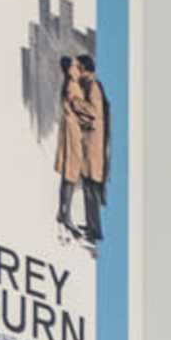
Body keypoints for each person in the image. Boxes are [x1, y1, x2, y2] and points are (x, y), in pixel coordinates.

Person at [53, 52, 108, 248]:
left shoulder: (91, 87)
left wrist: (79, 107)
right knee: (80, 182)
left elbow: (92, 113)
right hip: (76, 139)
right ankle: (76, 221)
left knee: (89, 188)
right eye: (74, 66)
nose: (77, 70)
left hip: (90, 146)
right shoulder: (74, 85)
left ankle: (93, 230)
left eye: (79, 66)